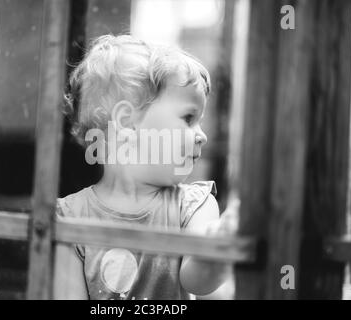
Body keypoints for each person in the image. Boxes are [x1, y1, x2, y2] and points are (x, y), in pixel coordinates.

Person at [54, 34, 228, 300]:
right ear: (126, 122)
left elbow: (199, 281)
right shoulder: (69, 216)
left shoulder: (195, 206)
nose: (202, 135)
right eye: (188, 118)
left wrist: (219, 243)